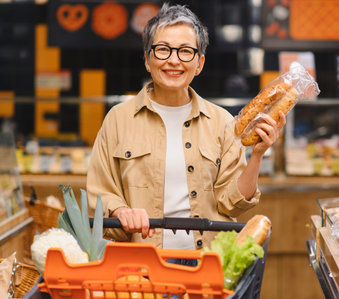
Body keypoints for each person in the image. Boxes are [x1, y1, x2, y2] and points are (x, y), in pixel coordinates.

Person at [86, 3, 286, 250]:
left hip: (207, 263)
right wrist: (120, 210)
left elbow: (231, 204)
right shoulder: (118, 119)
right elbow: (99, 191)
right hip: (142, 263)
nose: (173, 60)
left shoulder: (221, 122)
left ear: (199, 63)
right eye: (163, 50)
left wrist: (256, 155)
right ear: (148, 60)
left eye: (185, 51)